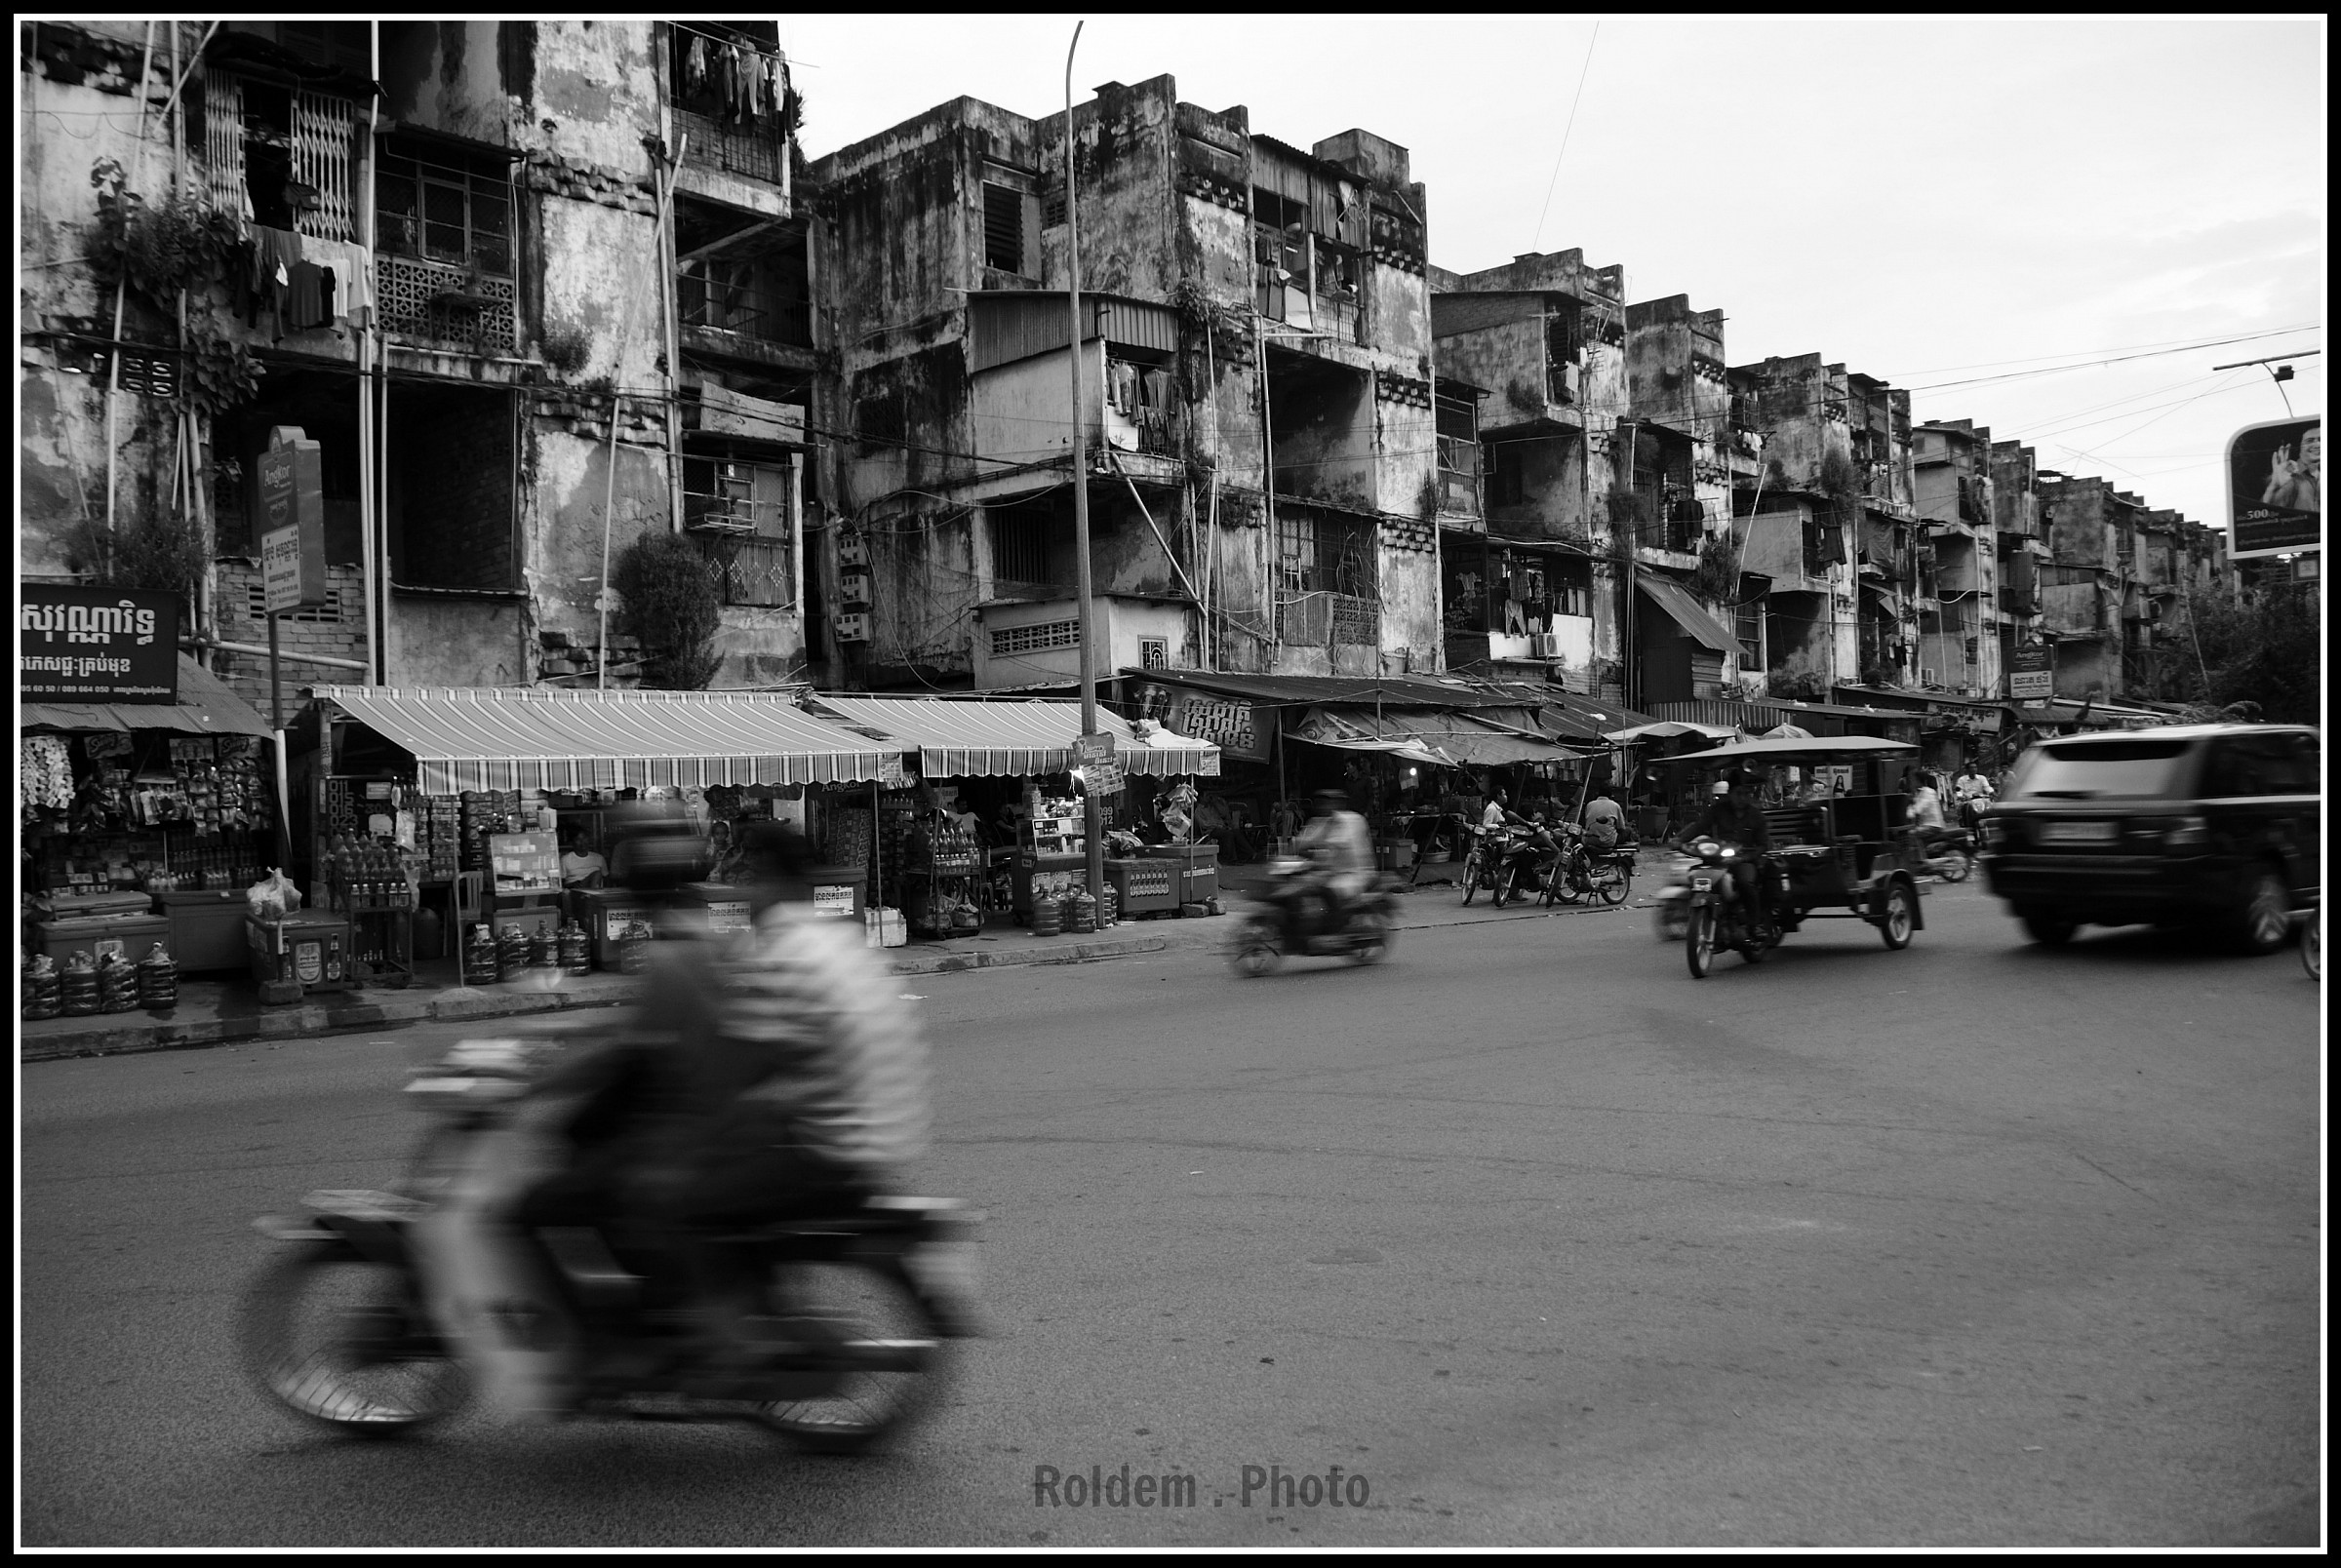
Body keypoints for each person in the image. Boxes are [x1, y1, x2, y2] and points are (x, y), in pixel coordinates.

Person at [520, 813, 930, 1387]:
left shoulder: (780, 949)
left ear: (770, 879)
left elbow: (732, 1062)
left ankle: (722, 1339)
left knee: (662, 1194)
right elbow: (732, 1044)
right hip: (869, 1128)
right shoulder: (818, 938)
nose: (737, 890)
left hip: (834, 1140)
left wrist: (680, 1109)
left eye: (745, 877)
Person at [1679, 772, 1780, 932]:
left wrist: (1743, 858)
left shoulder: (1757, 816)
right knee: (1696, 876)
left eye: (1746, 794)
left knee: (1745, 882)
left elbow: (1762, 846)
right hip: (1718, 859)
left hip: (1744, 860)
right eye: (1738, 794)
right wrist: (1680, 840)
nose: (1742, 798)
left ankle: (1755, 924)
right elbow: (1699, 826)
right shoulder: (1718, 810)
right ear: (1730, 794)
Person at [1291, 787, 1374, 943]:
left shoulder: (1351, 821)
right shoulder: (1320, 822)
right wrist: (1291, 848)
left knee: (1331, 890)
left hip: (1353, 873)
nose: (1324, 806)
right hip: (1330, 871)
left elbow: (1340, 842)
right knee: (1302, 887)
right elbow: (1304, 840)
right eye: (1322, 802)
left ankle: (1336, 931)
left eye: (1329, 803)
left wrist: (1316, 855)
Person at [1581, 786, 1627, 852]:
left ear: (1598, 793)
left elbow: (1586, 823)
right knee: (1628, 831)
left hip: (1590, 840)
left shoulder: (1589, 805)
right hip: (1608, 842)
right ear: (1611, 795)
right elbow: (1621, 827)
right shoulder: (1615, 805)